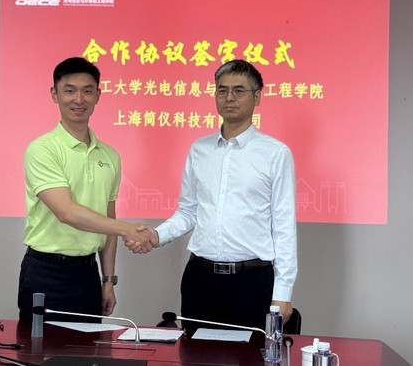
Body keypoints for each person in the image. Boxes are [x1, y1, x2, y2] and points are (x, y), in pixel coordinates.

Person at [126, 59, 297, 332]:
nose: (229, 97)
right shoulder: (199, 150)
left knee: (250, 355)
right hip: (200, 279)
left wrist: (283, 292)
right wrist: (156, 236)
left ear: (257, 97)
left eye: (239, 90)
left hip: (252, 281)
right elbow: (188, 212)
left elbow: (284, 226)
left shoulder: (275, 154)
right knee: (195, 353)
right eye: (222, 90)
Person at [18, 57, 153, 322]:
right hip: (46, 272)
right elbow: (66, 212)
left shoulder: (110, 156)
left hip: (88, 273)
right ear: (55, 94)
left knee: (90, 347)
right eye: (69, 90)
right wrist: (127, 229)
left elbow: (108, 219)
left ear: (98, 95)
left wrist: (108, 279)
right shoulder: (42, 149)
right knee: (40, 346)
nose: (79, 99)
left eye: (87, 91)